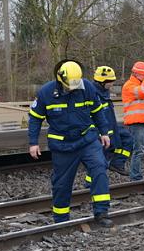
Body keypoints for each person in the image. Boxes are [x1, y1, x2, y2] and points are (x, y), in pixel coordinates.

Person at [28, 60, 113, 228]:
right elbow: (35, 119)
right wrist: (33, 143)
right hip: (62, 146)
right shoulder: (46, 92)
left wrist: (104, 132)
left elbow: (97, 111)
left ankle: (101, 212)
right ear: (60, 79)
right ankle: (61, 220)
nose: (73, 88)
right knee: (62, 184)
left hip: (87, 139)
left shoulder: (86, 87)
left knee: (99, 169)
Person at [91, 65, 132, 176]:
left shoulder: (104, 91)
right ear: (102, 82)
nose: (112, 84)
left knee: (128, 138)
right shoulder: (93, 94)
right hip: (101, 131)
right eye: (110, 81)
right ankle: (90, 182)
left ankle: (117, 163)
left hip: (111, 126)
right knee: (100, 160)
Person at [122, 61, 144, 181]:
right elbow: (142, 93)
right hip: (137, 123)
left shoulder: (141, 85)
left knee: (141, 150)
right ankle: (135, 176)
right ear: (137, 74)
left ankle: (136, 174)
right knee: (138, 150)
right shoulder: (129, 86)